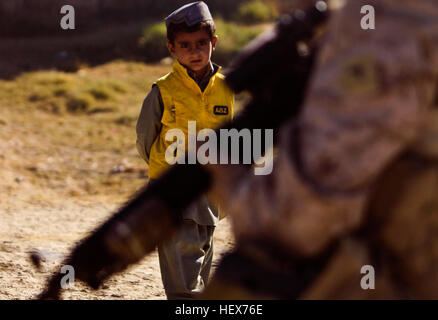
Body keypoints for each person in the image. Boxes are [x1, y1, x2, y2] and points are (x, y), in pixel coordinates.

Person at [135, 1, 234, 299]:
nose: (195, 51)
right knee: (184, 282)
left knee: (202, 266)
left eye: (202, 43)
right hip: (173, 194)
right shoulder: (162, 91)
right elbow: (145, 140)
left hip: (210, 195)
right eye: (185, 45)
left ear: (213, 43)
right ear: (172, 49)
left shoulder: (226, 89)